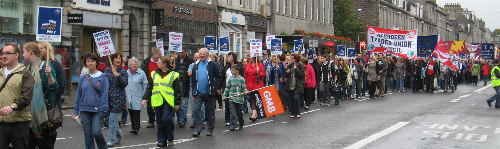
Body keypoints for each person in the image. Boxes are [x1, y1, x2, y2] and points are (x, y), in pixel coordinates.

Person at [24, 42, 59, 149]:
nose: (22, 54)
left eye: (23, 51)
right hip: (31, 114)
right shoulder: (29, 68)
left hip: (44, 114)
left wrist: (49, 76)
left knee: (44, 145)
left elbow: (54, 86)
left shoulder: (45, 66)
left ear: (30, 52)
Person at [141, 56, 181, 147]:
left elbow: (178, 90)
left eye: (159, 62)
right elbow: (149, 87)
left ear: (164, 64)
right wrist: (145, 98)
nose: (157, 63)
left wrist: (177, 103)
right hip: (157, 100)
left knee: (166, 119)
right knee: (159, 121)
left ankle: (170, 138)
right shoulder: (154, 74)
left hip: (168, 101)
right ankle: (162, 140)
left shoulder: (174, 75)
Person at [0, 44, 34, 149]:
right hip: (1, 123)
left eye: (7, 53)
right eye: (2, 53)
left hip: (19, 123)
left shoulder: (25, 74)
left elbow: (26, 97)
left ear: (16, 55)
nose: (4, 56)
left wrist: (12, 107)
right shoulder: (0, 73)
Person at [72, 53, 109, 149]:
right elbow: (78, 95)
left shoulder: (103, 77)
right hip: (84, 109)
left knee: (96, 132)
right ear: (85, 63)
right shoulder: (83, 78)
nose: (90, 63)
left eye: (92, 61)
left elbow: (104, 95)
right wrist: (76, 111)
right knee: (88, 136)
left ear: (96, 63)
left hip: (98, 110)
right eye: (88, 61)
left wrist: (102, 110)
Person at [191, 48, 222, 137]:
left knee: (210, 112)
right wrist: (194, 91)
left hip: (209, 93)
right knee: (196, 110)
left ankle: (210, 129)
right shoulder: (195, 65)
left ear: (207, 55)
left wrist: (215, 87)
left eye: (203, 54)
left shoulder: (212, 64)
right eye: (200, 53)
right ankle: (198, 129)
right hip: (198, 93)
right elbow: (193, 79)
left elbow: (218, 77)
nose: (201, 55)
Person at [104, 52, 128, 147]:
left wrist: (118, 76)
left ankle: (111, 140)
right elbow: (104, 84)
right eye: (116, 58)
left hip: (118, 99)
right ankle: (118, 133)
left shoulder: (123, 71)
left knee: (113, 120)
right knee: (110, 120)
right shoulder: (107, 70)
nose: (118, 60)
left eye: (120, 58)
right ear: (112, 59)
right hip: (108, 98)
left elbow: (124, 84)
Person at [140, 47, 162, 128]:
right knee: (149, 104)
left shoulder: (161, 62)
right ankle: (151, 120)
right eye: (159, 54)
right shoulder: (146, 62)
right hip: (149, 85)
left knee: (160, 103)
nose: (160, 56)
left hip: (160, 85)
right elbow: (141, 72)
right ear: (154, 54)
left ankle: (161, 119)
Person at [125, 57, 148, 134]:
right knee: (131, 111)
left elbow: (145, 84)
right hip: (128, 95)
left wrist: (144, 95)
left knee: (136, 111)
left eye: (136, 65)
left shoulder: (141, 73)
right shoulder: (126, 72)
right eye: (133, 65)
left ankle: (136, 127)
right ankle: (133, 127)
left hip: (138, 95)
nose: (135, 66)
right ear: (129, 66)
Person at [222, 52, 244, 126]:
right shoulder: (226, 66)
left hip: (238, 91)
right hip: (229, 88)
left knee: (237, 108)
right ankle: (230, 121)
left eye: (229, 57)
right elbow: (223, 78)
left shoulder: (239, 66)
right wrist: (222, 90)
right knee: (230, 106)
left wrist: (244, 90)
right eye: (227, 57)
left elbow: (243, 82)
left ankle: (239, 120)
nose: (228, 58)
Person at [174, 49, 193, 128]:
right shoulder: (176, 60)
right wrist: (173, 68)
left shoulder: (190, 61)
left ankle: (182, 120)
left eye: (182, 52)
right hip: (177, 83)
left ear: (186, 52)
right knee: (178, 102)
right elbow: (173, 72)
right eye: (179, 52)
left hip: (186, 84)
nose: (180, 53)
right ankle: (180, 119)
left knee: (184, 103)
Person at [244, 56, 265, 122]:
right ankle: (255, 115)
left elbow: (263, 74)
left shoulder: (260, 64)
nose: (250, 58)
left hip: (257, 85)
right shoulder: (248, 64)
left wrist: (259, 72)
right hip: (249, 85)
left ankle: (253, 115)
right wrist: (254, 71)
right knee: (251, 99)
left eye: (251, 57)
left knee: (255, 99)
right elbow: (246, 73)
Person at [285, 54, 305, 118]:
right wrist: (287, 72)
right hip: (290, 85)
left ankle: (298, 112)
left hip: (297, 86)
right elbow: (285, 75)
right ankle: (293, 113)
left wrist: (296, 69)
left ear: (295, 59)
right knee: (291, 100)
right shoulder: (289, 66)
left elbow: (302, 75)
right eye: (290, 58)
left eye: (292, 58)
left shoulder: (300, 66)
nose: (290, 59)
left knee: (296, 99)